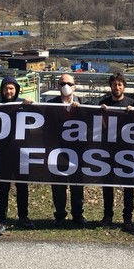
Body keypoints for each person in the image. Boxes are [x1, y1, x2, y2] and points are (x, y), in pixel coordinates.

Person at [0, 76, 35, 236]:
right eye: (5, 88)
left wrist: (31, 105)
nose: (8, 91)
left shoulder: (23, 104)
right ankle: (1, 220)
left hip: (21, 153)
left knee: (22, 187)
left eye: (11, 88)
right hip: (3, 153)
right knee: (3, 188)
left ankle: (23, 217)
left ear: (16, 89)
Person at [98, 73, 134, 231]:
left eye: (120, 85)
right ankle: (107, 215)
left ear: (124, 86)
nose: (117, 88)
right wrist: (100, 113)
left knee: (128, 185)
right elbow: (97, 126)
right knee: (107, 184)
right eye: (115, 85)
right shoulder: (103, 103)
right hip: (108, 150)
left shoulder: (133, 103)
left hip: (128, 150)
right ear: (111, 86)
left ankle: (127, 217)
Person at [47, 73, 86, 226]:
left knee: (77, 184)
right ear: (58, 86)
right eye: (63, 84)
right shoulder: (50, 105)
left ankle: (78, 215)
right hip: (56, 152)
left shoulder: (84, 104)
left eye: (69, 84)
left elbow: (90, 125)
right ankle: (60, 215)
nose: (66, 87)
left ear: (75, 86)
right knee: (58, 185)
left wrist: (81, 110)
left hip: (77, 152)